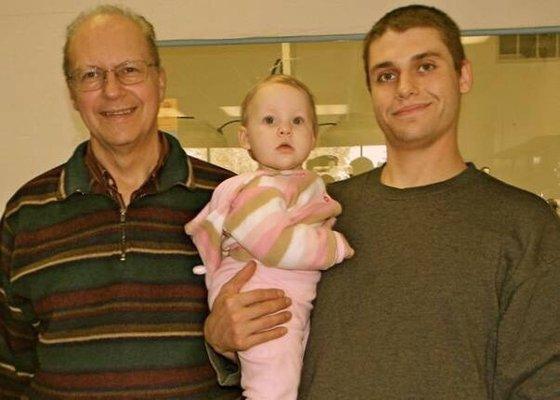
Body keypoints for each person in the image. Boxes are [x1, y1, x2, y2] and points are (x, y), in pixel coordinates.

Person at [205, 5, 560, 399]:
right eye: (387, 75)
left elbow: (541, 384)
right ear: (372, 92)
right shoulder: (318, 214)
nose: (405, 87)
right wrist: (222, 339)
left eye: (425, 66)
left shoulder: (526, 225)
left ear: (463, 75)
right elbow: (273, 338)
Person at [0, 5, 245, 399]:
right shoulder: (26, 213)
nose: (112, 90)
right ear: (72, 94)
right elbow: (10, 370)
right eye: (91, 75)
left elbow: (277, 350)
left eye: (130, 69)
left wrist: (229, 351)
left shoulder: (232, 200)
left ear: (160, 81)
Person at [185, 74, 353, 400]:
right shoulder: (257, 189)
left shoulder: (299, 183)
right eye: (270, 120)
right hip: (260, 299)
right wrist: (333, 247)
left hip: (287, 298)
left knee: (293, 378)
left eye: (298, 120)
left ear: (314, 137)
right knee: (274, 388)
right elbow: (275, 247)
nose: (284, 129)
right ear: (245, 139)